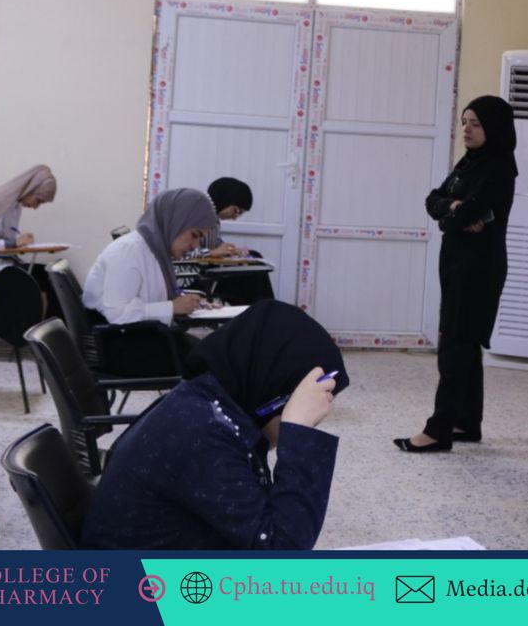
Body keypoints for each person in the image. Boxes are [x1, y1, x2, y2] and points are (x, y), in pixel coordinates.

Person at [81, 301, 347, 550]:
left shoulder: (206, 404)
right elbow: (283, 553)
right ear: (274, 397)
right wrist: (299, 431)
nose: (314, 419)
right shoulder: (200, 433)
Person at [395, 95, 518, 453]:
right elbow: (433, 200)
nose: (466, 129)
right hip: (457, 263)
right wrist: (453, 208)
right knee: (465, 342)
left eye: (475, 123)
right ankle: (466, 421)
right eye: (464, 121)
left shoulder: (498, 167)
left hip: (478, 268)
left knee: (455, 344)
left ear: (493, 128)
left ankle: (438, 431)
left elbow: (464, 215)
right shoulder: (469, 162)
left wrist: (454, 215)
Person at [84, 187, 220, 328]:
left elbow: (153, 299)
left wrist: (190, 304)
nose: (195, 245)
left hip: (142, 334)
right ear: (174, 222)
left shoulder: (157, 252)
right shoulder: (129, 251)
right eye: (194, 235)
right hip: (120, 338)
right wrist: (172, 307)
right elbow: (117, 314)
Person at [195, 176, 276, 305]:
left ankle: (264, 309)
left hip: (208, 268)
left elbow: (213, 242)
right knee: (251, 276)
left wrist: (231, 250)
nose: (235, 217)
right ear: (225, 199)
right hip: (197, 275)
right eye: (236, 210)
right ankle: (264, 310)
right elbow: (182, 254)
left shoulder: (213, 218)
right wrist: (211, 253)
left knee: (254, 258)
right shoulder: (197, 215)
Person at [0, 165, 57, 255]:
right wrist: (14, 243)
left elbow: (4, 236)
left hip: (0, 259)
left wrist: (20, 241)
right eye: (38, 200)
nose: (35, 207)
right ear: (30, 188)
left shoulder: (15, 203)